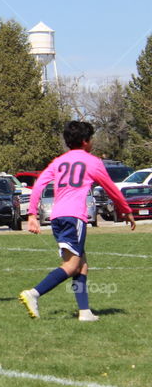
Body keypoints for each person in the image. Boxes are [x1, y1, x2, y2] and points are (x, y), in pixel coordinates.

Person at [19, 121, 135, 321]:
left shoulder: (58, 161)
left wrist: (32, 214)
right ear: (85, 141)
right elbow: (111, 188)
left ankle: (85, 312)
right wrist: (126, 210)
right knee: (72, 265)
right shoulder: (93, 162)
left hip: (57, 216)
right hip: (74, 217)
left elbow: (39, 185)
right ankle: (34, 293)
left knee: (81, 264)